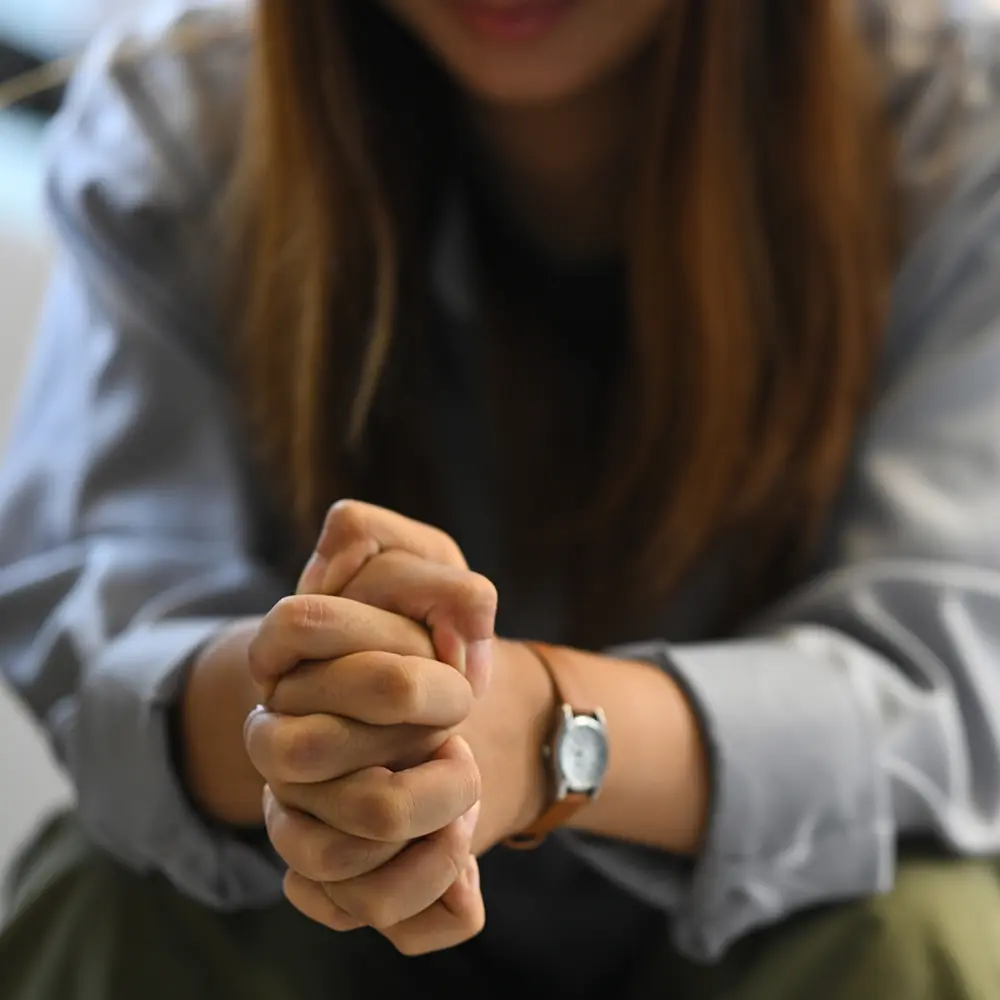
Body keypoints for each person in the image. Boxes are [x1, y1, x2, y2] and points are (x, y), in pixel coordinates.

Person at [1, 0, 1000, 996]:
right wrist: (320, 717)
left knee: (920, 934)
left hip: (778, 940)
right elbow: (102, 637)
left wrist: (539, 728)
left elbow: (950, 684)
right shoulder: (180, 122)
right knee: (111, 894)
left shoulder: (956, 125)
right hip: (317, 913)